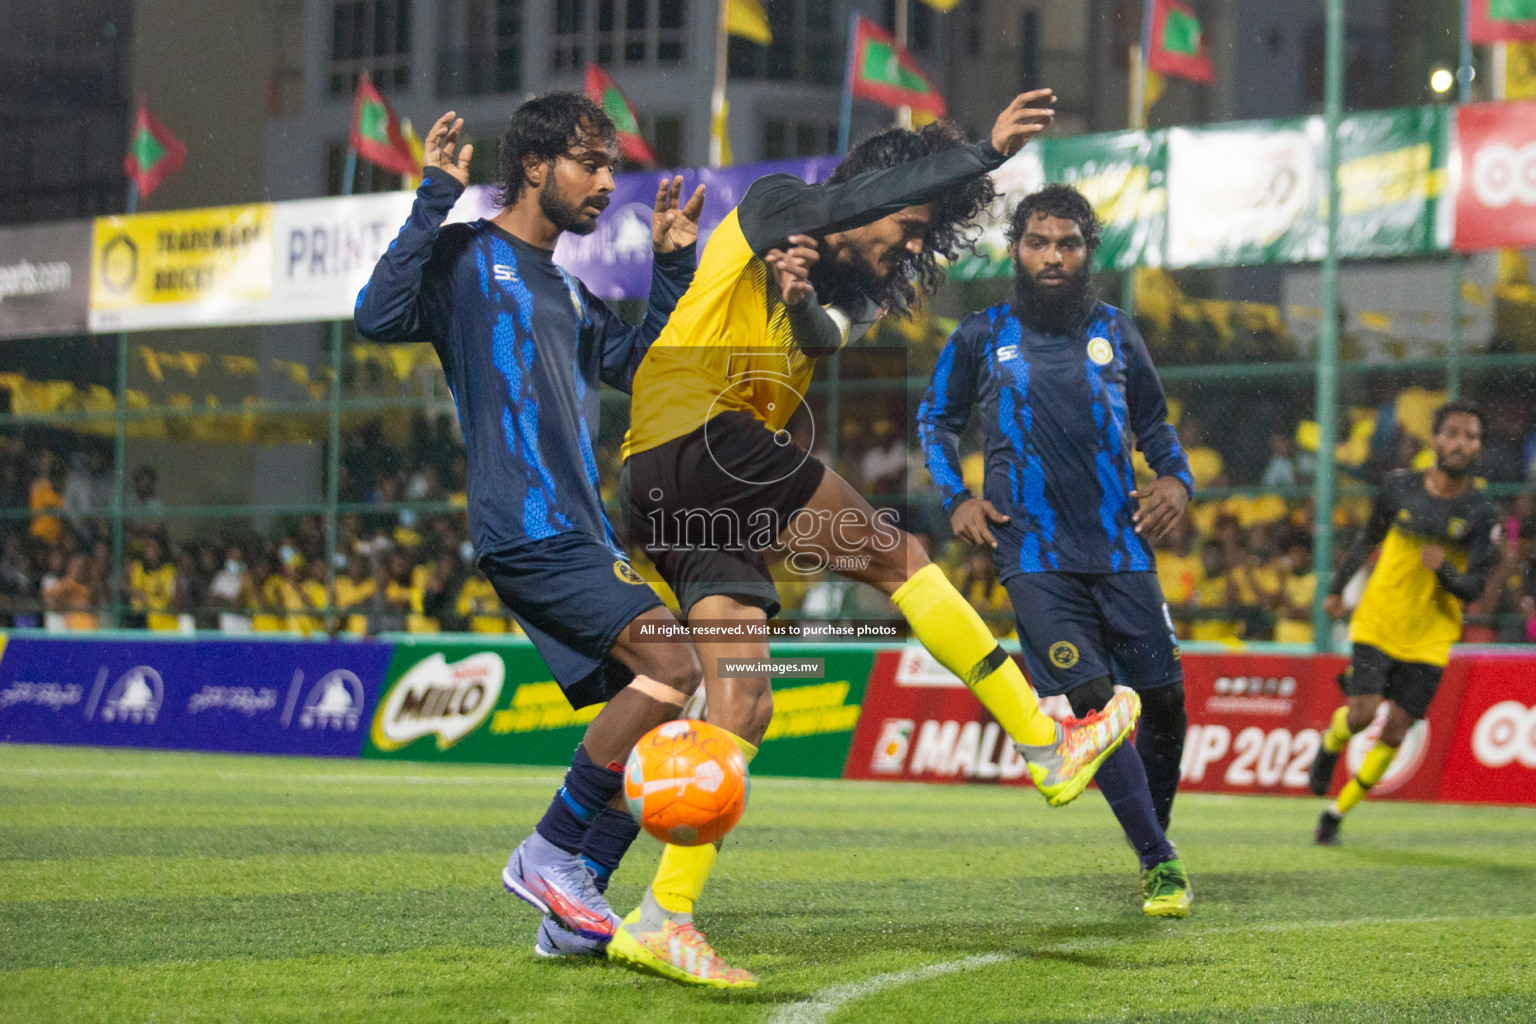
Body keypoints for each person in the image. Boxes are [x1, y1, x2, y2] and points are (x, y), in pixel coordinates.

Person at [612, 92, 1140, 988]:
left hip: (675, 490)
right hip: (700, 438)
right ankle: (1043, 741)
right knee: (899, 560)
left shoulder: (820, 287)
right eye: (907, 220)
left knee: (742, 707)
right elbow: (833, 213)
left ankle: (660, 916)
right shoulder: (778, 203)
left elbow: (822, 333)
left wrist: (807, 295)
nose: (909, 244)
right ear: (871, 193)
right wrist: (981, 153)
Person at [354, 94, 709, 957]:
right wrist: (434, 195)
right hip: (527, 522)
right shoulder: (469, 258)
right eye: (590, 164)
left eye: (612, 167)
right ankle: (549, 851)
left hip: (579, 532)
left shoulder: (567, 289)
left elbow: (640, 367)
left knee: (673, 709)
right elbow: (376, 314)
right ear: (536, 165)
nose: (606, 184)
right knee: (676, 662)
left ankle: (570, 916)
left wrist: (671, 271)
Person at [919, 184, 1194, 917]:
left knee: (1166, 706)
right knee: (1095, 705)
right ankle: (1159, 861)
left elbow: (1157, 430)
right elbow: (936, 421)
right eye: (1038, 242)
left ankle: (1150, 827)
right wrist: (959, 497)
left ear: (1086, 253)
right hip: (1032, 556)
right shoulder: (981, 335)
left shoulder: (1118, 333)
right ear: (1015, 249)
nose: (1051, 256)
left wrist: (1176, 480)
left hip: (1122, 548)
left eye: (1067, 244)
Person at [1310, 399, 1499, 844]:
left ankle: (1336, 814)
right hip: (1380, 619)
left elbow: (1474, 588)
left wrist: (1446, 571)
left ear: (1478, 447)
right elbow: (1366, 539)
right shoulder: (1399, 487)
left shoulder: (1481, 512)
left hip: (1431, 637)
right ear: (1435, 439)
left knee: (1395, 730)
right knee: (1362, 715)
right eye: (1452, 432)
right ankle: (1330, 745)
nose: (1460, 442)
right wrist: (1336, 588)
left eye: (1471, 436)